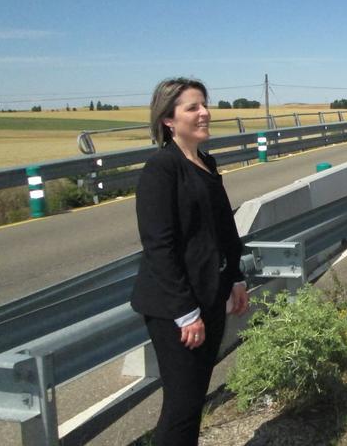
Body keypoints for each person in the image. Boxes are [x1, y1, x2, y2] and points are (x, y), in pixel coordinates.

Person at [131, 77, 249, 446]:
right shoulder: (161, 169)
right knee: (181, 406)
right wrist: (185, 312)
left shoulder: (204, 163)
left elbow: (223, 228)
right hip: (176, 309)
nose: (204, 113)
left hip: (209, 297)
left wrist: (236, 276)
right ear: (169, 120)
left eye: (204, 105)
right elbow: (159, 246)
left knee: (194, 400)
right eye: (193, 107)